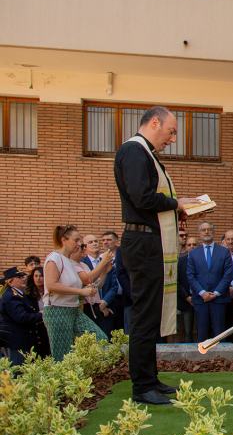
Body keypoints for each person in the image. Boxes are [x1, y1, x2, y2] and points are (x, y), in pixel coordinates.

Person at [113, 105, 198, 405]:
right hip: (144, 243)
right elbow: (142, 197)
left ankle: (150, 379)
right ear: (154, 122)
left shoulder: (145, 154)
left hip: (150, 241)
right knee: (144, 316)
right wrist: (177, 204)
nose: (172, 139)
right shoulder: (135, 151)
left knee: (150, 315)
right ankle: (142, 388)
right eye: (171, 131)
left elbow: (147, 200)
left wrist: (176, 212)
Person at [42, 225, 114, 360]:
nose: (79, 244)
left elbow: (87, 279)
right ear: (64, 240)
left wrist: (103, 268)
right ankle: (65, 379)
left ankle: (86, 370)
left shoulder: (69, 261)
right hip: (57, 310)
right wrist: (81, 291)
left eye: (80, 240)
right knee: (62, 356)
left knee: (100, 339)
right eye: (76, 240)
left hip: (74, 310)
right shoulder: (54, 258)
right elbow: (51, 285)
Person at [185, 221, 233, 343]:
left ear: (214, 231)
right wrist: (202, 293)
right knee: (202, 335)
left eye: (209, 229)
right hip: (201, 300)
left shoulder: (224, 251)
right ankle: (202, 360)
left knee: (220, 334)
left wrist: (215, 293)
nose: (206, 232)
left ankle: (222, 360)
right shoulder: (193, 253)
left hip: (219, 300)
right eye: (203, 230)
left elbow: (227, 275)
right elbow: (190, 276)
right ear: (199, 233)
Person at [0, 267, 46, 365]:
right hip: (18, 342)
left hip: (26, 341)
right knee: (19, 371)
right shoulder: (11, 296)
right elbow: (21, 317)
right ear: (10, 281)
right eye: (19, 277)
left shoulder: (19, 294)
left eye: (23, 276)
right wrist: (42, 315)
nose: (24, 278)